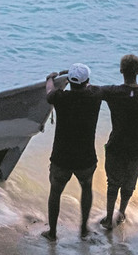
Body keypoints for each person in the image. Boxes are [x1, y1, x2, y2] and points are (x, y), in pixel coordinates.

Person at [99, 54, 138, 230]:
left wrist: (68, 78)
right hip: (137, 150)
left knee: (112, 184)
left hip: (116, 147)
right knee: (129, 185)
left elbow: (89, 90)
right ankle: (121, 214)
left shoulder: (112, 92)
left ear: (121, 70)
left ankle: (108, 218)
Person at [41, 63, 102, 241]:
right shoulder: (95, 96)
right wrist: (71, 77)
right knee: (86, 188)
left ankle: (52, 233)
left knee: (55, 192)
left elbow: (49, 92)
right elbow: (91, 88)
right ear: (88, 81)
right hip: (86, 156)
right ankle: (83, 229)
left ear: (69, 81)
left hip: (62, 156)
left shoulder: (61, 97)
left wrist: (52, 78)